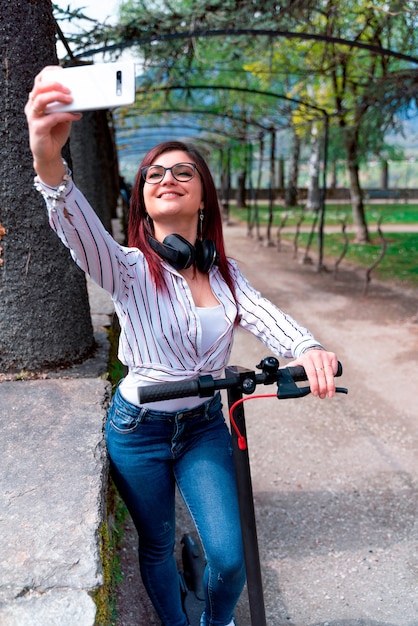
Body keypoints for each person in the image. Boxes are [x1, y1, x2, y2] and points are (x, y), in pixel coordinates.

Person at [25, 68, 339, 626]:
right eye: (154, 175)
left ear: (203, 198)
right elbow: (75, 226)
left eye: (183, 171)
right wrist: (48, 160)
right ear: (142, 202)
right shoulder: (125, 268)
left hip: (203, 426)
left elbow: (267, 316)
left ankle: (215, 622)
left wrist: (308, 349)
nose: (167, 178)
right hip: (137, 429)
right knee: (156, 543)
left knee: (228, 556)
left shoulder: (225, 273)